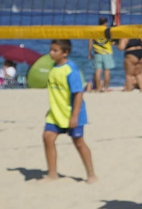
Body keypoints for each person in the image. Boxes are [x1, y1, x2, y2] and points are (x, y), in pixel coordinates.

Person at [41, 39, 96, 183]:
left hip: (73, 113)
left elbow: (78, 93)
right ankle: (52, 174)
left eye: (55, 50)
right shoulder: (53, 68)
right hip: (56, 113)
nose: (51, 53)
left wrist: (74, 116)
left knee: (78, 143)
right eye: (51, 49)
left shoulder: (71, 70)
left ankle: (91, 175)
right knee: (47, 137)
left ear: (65, 53)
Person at [89, 16, 116, 92]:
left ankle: (97, 88)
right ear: (106, 23)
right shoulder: (108, 30)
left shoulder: (94, 30)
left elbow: (90, 41)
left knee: (97, 71)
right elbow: (112, 42)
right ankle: (106, 88)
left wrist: (89, 52)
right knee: (107, 71)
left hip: (97, 53)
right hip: (107, 52)